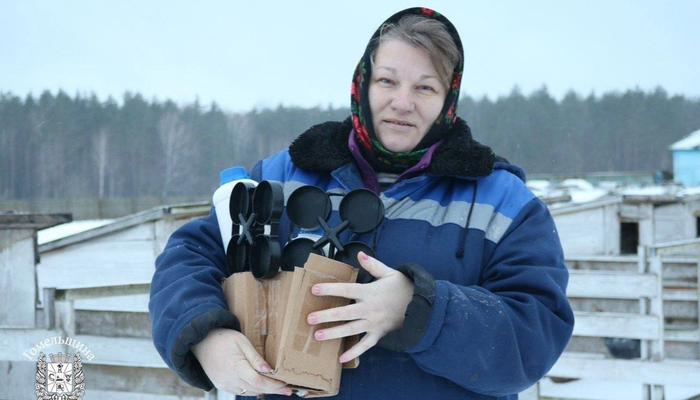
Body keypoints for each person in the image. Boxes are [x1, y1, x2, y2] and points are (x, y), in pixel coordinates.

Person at [149, 7, 574, 400]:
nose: (402, 103)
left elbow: (534, 333)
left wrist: (419, 311)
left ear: (449, 99)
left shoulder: (505, 204)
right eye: (387, 80)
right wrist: (206, 336)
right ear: (362, 83)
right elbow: (189, 255)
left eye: (425, 87)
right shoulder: (282, 175)